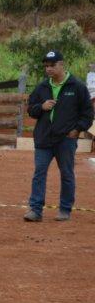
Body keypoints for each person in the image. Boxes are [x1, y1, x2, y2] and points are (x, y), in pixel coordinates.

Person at [23, 50, 93, 222]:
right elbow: (31, 109)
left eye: (52, 65)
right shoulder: (42, 87)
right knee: (39, 173)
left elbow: (88, 113)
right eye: (46, 66)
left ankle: (65, 209)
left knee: (67, 174)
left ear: (62, 64)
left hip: (66, 140)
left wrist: (77, 130)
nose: (48, 69)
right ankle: (36, 210)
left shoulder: (77, 86)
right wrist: (42, 106)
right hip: (44, 139)